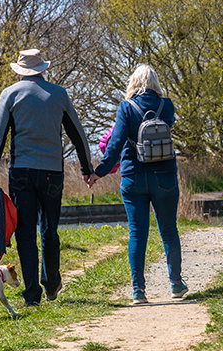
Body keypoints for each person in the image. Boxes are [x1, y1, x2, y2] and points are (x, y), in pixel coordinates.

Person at [0, 49, 93, 306]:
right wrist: (87, 169)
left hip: (21, 172)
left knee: (25, 233)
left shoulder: (10, 94)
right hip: (52, 172)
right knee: (49, 230)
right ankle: (52, 285)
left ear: (20, 70)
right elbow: (78, 134)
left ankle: (32, 294)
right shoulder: (59, 94)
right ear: (42, 68)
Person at [88, 64, 188, 304]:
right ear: (155, 83)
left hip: (133, 177)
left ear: (133, 83)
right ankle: (175, 283)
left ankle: (138, 291)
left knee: (137, 233)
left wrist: (97, 173)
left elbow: (115, 144)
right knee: (169, 231)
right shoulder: (167, 105)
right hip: (164, 176)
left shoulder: (126, 107)